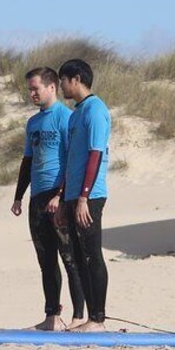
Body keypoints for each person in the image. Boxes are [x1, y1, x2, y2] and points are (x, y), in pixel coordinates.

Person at [11, 67, 86, 331]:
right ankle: (52, 315)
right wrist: (19, 196)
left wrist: (61, 194)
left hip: (59, 197)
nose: (32, 94)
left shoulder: (66, 118)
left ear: (52, 87)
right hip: (37, 198)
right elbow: (27, 161)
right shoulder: (33, 123)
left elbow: (73, 160)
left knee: (69, 257)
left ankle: (78, 316)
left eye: (36, 89)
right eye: (29, 90)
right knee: (45, 260)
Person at [57, 59, 112, 332]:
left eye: (63, 81)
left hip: (90, 196)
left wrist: (82, 198)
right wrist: (64, 197)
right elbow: (71, 160)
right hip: (73, 196)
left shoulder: (95, 110)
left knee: (92, 255)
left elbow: (95, 154)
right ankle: (90, 318)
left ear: (75, 79)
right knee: (78, 258)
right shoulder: (76, 114)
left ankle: (99, 319)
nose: (61, 86)